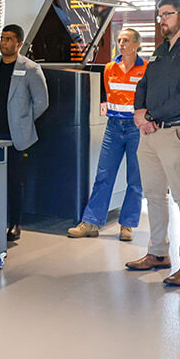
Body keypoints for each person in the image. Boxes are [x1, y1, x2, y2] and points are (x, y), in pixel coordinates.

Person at [126, 0, 180, 287]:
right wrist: (139, 112)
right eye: (159, 15)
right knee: (154, 195)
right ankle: (158, 253)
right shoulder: (161, 49)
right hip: (149, 134)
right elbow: (144, 82)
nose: (161, 20)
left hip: (176, 131)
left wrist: (152, 115)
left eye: (167, 14)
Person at [68, 29, 146, 241]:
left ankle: (127, 225)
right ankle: (91, 222)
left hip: (136, 128)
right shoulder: (110, 68)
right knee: (103, 175)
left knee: (135, 179)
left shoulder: (146, 69)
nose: (121, 44)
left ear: (137, 44)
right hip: (113, 127)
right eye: (119, 40)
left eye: (126, 40)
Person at [0, 24, 49, 242]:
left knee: (14, 181)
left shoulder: (31, 68)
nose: (4, 43)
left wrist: (22, 121)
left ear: (19, 44)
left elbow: (41, 102)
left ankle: (14, 223)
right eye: (2, 38)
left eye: (9, 39)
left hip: (17, 136)